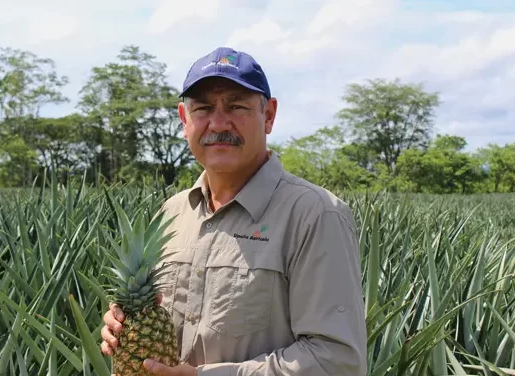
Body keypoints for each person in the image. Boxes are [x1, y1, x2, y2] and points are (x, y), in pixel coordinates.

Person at [100, 47, 367, 376]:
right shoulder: (172, 212)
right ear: (185, 120)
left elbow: (338, 361)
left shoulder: (316, 214)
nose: (218, 122)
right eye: (203, 108)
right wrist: (126, 323)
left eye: (237, 106)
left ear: (268, 115)